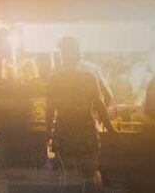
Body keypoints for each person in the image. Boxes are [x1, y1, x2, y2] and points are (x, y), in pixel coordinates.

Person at [46, 37, 115, 193]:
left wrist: (48, 133)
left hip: (64, 133)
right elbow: (100, 106)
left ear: (61, 56)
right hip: (86, 134)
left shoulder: (54, 80)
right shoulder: (88, 78)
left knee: (68, 175)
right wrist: (112, 131)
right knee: (89, 176)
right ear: (78, 55)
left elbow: (49, 110)